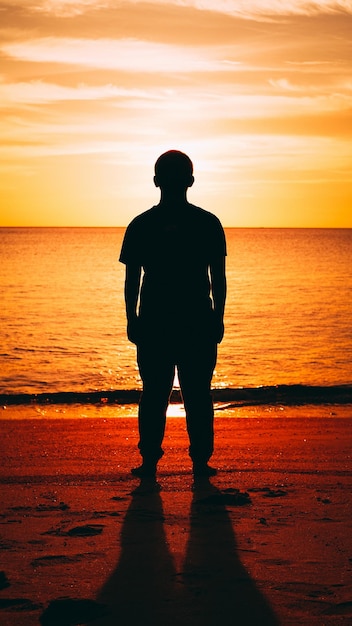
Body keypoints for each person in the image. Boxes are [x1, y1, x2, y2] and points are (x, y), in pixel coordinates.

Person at [119, 150, 226, 478]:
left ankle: (151, 460)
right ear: (191, 181)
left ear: (156, 181)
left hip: (155, 321)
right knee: (197, 393)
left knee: (154, 392)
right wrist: (218, 317)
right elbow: (217, 278)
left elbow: (131, 280)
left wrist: (131, 318)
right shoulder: (207, 223)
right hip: (195, 321)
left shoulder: (141, 224)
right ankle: (199, 461)